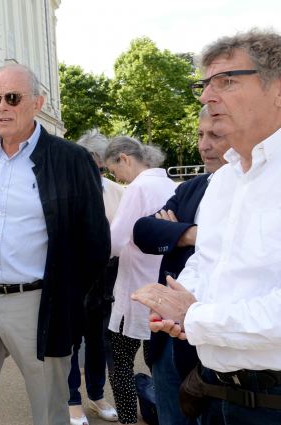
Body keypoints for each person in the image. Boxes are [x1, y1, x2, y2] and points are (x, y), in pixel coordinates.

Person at [133, 29, 281, 424]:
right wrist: (178, 305)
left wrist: (195, 317)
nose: (207, 97)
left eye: (227, 81)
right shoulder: (226, 178)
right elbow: (208, 264)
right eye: (204, 84)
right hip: (216, 392)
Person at [0, 64, 111, 425]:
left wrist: (66, 297)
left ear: (38, 102)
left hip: (39, 302)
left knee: (49, 410)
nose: (1, 107)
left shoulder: (71, 159)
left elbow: (95, 243)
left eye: (12, 97)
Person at [131, 106, 230, 425]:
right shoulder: (192, 187)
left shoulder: (263, 190)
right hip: (170, 339)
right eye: (200, 135)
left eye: (215, 135)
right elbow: (144, 231)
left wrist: (175, 231)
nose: (204, 145)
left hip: (222, 340)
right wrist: (190, 233)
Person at [103, 136, 175, 424]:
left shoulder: (138, 187)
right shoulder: (170, 184)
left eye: (113, 169)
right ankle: (160, 414)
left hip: (136, 293)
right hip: (166, 290)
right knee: (158, 363)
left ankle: (129, 419)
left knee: (120, 361)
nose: (115, 177)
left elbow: (117, 241)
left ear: (124, 158)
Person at [68, 130, 123, 425]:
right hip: (73, 275)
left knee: (99, 339)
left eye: (97, 160)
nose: (93, 165)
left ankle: (97, 394)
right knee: (71, 340)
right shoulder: (66, 188)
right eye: (87, 159)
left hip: (106, 277)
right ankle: (72, 399)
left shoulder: (116, 191)